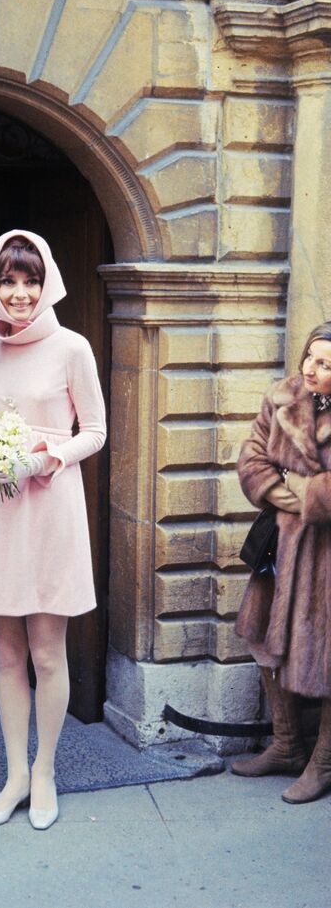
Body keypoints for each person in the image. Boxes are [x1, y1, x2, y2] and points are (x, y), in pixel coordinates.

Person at [0, 230, 106, 830]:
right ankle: (13, 776)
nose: (19, 293)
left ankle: (45, 773)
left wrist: (44, 459)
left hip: (50, 503)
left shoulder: (72, 347)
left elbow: (96, 431)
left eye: (30, 281)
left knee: (48, 654)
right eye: (8, 281)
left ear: (47, 282)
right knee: (6, 653)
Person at [233, 321, 331, 804]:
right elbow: (251, 461)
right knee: (263, 640)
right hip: (281, 547)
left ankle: (324, 762)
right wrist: (298, 494)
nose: (312, 369)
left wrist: (300, 488)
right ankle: (288, 745)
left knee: (327, 656)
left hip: (325, 557)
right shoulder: (282, 398)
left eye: (326, 364)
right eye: (311, 356)